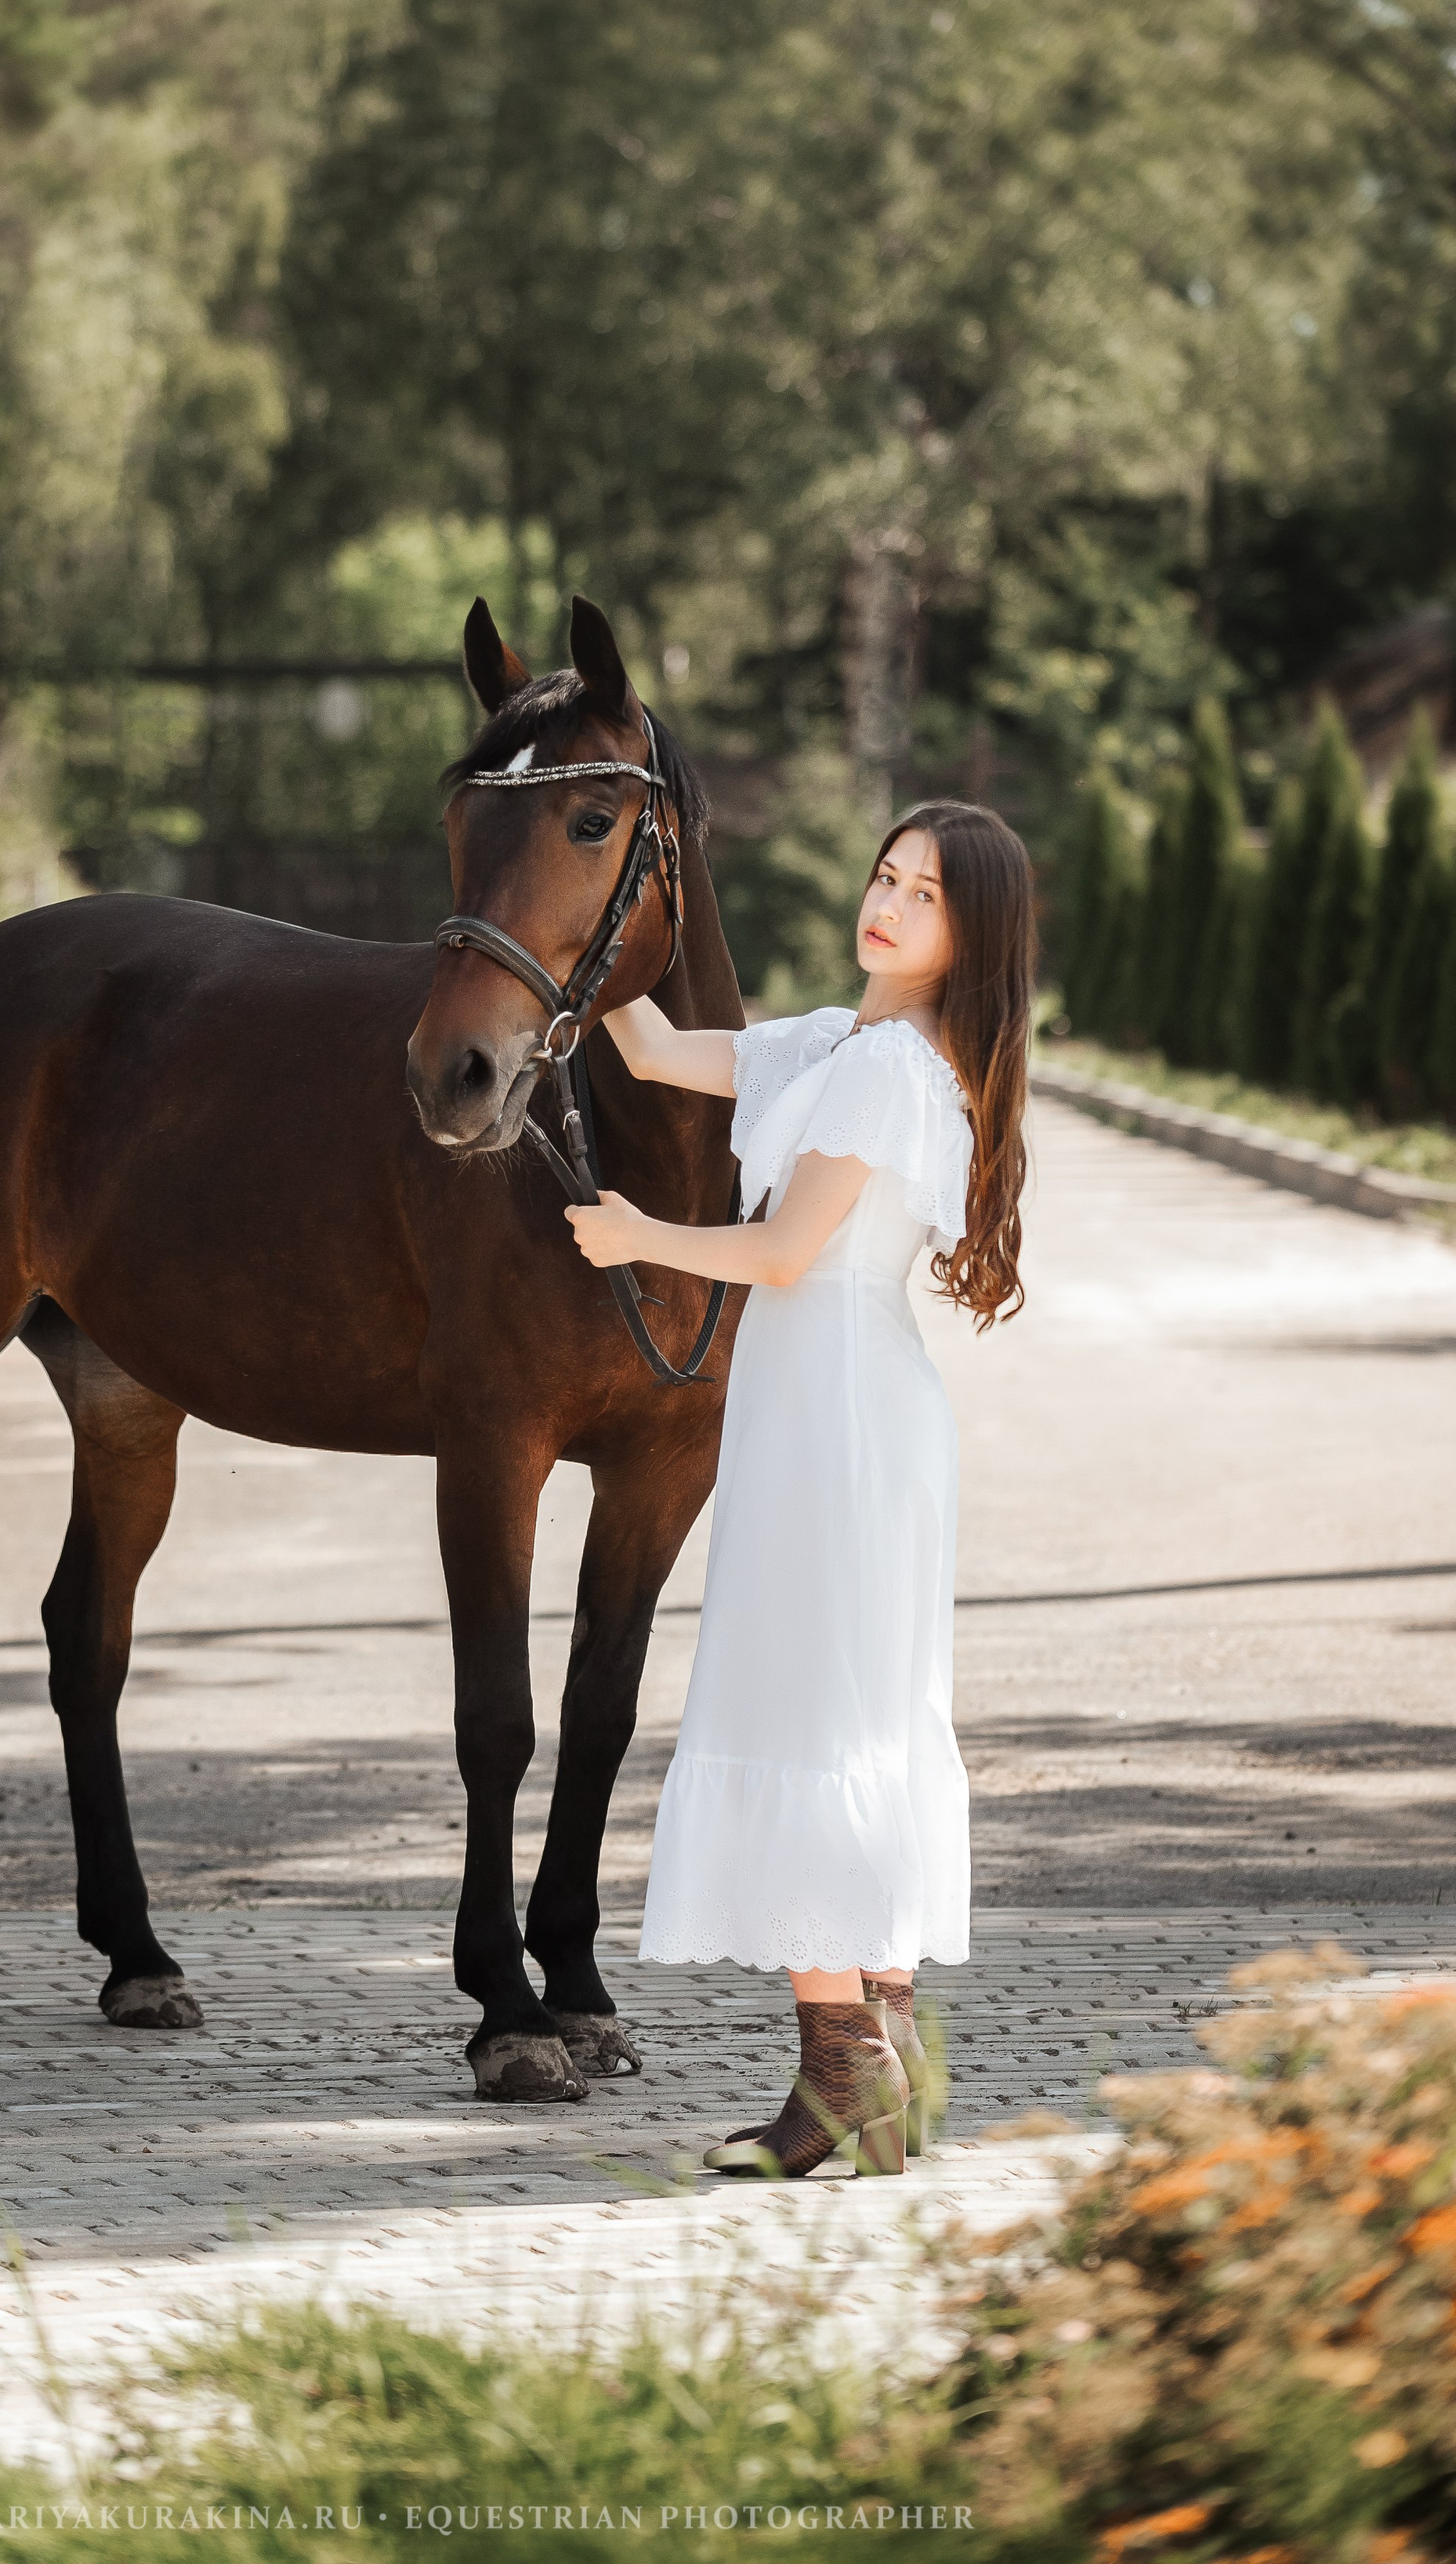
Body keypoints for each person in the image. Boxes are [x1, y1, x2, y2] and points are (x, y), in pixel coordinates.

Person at [566, 799, 1034, 2176]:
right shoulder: (836, 1040)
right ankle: (883, 2067)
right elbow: (650, 1045)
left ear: (973, 934)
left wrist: (638, 1232)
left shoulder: (896, 1069)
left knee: (810, 1709)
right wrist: (589, 913)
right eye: (883, 873)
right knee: (849, 1713)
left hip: (839, 1411)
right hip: (824, 1406)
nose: (886, 903)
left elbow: (784, 1255)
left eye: (924, 895)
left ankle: (841, 2074)